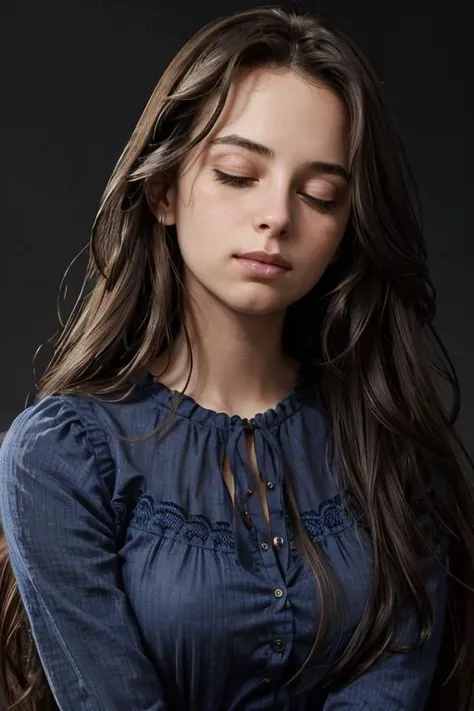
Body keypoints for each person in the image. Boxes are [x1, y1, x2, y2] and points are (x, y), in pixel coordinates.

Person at [0, 5, 473, 711]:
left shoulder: (388, 446)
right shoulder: (60, 456)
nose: (277, 215)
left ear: (347, 223)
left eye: (320, 194)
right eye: (236, 172)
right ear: (163, 189)